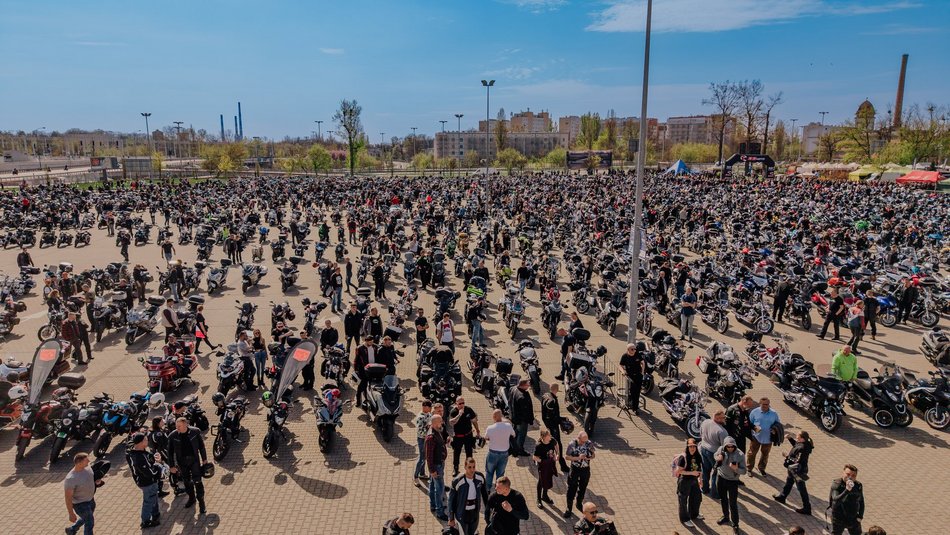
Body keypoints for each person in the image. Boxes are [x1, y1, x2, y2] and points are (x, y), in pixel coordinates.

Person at [166, 417, 208, 514]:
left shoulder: (195, 431)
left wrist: (204, 459)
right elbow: (170, 452)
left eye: (179, 426)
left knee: (198, 481)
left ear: (186, 424)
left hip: (194, 461)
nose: (177, 428)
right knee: (187, 481)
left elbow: (201, 447)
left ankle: (201, 502)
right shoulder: (173, 436)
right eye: (176, 426)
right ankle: (191, 498)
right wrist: (171, 466)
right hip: (182, 463)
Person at [126, 433, 162, 528]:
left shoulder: (133, 452)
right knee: (148, 501)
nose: (147, 441)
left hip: (143, 481)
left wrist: (152, 459)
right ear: (141, 442)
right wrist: (158, 466)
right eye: (146, 440)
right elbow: (149, 473)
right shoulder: (139, 458)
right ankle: (145, 521)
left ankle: (156, 513)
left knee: (153, 497)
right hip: (147, 483)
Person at [773, 431, 814, 515]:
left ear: (802, 438)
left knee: (801, 489)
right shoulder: (803, 444)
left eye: (798, 436)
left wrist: (787, 456)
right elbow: (796, 446)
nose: (796, 437)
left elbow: (797, 461)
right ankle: (782, 497)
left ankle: (807, 508)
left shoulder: (803, 448)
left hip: (798, 471)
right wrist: (790, 439)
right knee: (789, 482)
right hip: (793, 469)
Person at [448, 457, 490, 535]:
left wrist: (488, 511)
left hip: (474, 513)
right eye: (469, 467)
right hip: (461, 513)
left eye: (474, 467)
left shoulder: (480, 477)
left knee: (473, 533)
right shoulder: (457, 481)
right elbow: (451, 500)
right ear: (465, 467)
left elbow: (485, 495)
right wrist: (451, 518)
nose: (472, 470)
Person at [714, 436, 747, 533]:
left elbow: (744, 471)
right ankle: (725, 516)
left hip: (733, 481)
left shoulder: (740, 454)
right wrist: (718, 457)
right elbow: (715, 455)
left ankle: (735, 524)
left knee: (733, 504)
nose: (730, 448)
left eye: (732, 446)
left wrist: (736, 469)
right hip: (721, 478)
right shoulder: (721, 449)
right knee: (723, 499)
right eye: (728, 447)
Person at [64, 453, 101, 535]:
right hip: (80, 504)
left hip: (91, 500)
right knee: (89, 522)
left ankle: (71, 530)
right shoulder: (71, 479)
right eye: (86, 460)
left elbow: (92, 479)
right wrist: (71, 513)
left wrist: (97, 482)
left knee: (86, 518)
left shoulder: (88, 468)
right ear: (79, 463)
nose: (89, 461)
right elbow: (68, 498)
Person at [563, 431, 595, 518]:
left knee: (583, 487)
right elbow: (566, 456)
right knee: (571, 488)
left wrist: (590, 457)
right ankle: (569, 508)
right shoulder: (572, 444)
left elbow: (593, 455)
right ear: (579, 438)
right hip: (575, 469)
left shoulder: (589, 443)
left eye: (586, 441)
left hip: (585, 469)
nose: (585, 443)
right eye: (583, 441)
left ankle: (579, 503)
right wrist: (578, 458)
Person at [541, 383, 570, 473]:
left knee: (550, 442)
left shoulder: (545, 395)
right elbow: (554, 417)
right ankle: (562, 465)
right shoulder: (552, 401)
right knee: (557, 444)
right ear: (556, 389)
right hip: (553, 426)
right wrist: (562, 419)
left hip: (548, 424)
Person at [747, 397, 781, 476]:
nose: (766, 406)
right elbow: (750, 423)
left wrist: (775, 430)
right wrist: (754, 429)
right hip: (756, 437)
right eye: (764, 404)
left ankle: (761, 468)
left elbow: (778, 424)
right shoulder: (754, 412)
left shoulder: (774, 413)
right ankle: (749, 468)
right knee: (752, 453)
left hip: (768, 438)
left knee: (765, 455)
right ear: (760, 404)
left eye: (767, 404)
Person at [699, 410, 728, 499]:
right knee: (716, 473)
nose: (724, 419)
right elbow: (724, 446)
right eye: (723, 417)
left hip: (703, 449)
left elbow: (700, 433)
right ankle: (715, 493)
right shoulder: (722, 431)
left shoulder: (705, 422)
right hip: (714, 453)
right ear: (717, 418)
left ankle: (704, 489)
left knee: (705, 470)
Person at [674, 438, 704, 527]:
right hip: (684, 481)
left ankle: (694, 514)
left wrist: (700, 480)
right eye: (690, 446)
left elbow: (700, 469)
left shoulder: (698, 456)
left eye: (694, 446)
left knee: (696, 498)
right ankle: (685, 519)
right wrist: (691, 473)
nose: (692, 448)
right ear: (687, 447)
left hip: (694, 480)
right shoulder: (683, 457)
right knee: (683, 500)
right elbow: (678, 471)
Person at [828, 464, 865, 535]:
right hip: (839, 518)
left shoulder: (858, 485)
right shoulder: (837, 484)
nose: (850, 477)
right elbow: (836, 500)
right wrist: (847, 490)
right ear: (843, 473)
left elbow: (861, 501)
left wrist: (860, 516)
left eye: (853, 476)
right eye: (848, 474)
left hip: (853, 518)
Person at [483, 409, 515, 489]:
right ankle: (499, 489)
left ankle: (487, 489)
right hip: (504, 454)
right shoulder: (508, 426)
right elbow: (513, 435)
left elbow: (486, 438)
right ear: (502, 416)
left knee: (489, 472)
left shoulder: (490, 428)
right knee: (500, 474)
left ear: (493, 417)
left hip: (492, 454)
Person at [425, 414, 448, 520]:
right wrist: (432, 470)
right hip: (436, 466)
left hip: (438, 464)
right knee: (439, 489)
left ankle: (433, 505)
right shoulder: (430, 437)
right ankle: (440, 511)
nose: (442, 422)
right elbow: (428, 456)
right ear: (434, 423)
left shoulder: (436, 430)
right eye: (440, 421)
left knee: (433, 486)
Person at [449, 397, 480, 476]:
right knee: (457, 452)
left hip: (468, 435)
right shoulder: (454, 412)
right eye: (460, 403)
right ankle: (456, 468)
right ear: (456, 403)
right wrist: (459, 414)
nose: (462, 405)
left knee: (469, 453)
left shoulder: (469, 410)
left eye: (463, 403)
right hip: (458, 437)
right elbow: (452, 423)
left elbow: (474, 421)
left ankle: (469, 468)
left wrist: (477, 430)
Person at [532, 428, 559, 509]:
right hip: (543, 465)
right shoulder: (539, 445)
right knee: (541, 481)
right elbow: (534, 457)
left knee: (548, 479)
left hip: (550, 464)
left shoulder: (552, 440)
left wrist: (557, 454)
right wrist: (543, 461)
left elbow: (556, 445)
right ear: (543, 437)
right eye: (548, 435)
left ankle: (545, 496)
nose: (550, 436)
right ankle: (539, 499)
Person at [509, 378, 534, 456]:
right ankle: (519, 450)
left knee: (515, 433)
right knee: (521, 435)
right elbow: (526, 412)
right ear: (523, 386)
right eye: (527, 384)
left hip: (514, 417)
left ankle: (512, 448)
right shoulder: (522, 397)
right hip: (521, 420)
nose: (529, 385)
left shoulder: (513, 388)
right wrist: (530, 420)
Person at [619, 342, 646, 414]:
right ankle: (634, 406)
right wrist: (623, 371)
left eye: (635, 349)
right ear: (628, 349)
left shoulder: (637, 354)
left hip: (638, 375)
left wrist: (642, 372)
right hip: (630, 376)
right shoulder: (625, 356)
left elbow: (643, 362)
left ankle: (635, 408)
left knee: (637, 392)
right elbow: (620, 365)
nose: (634, 350)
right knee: (634, 391)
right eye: (632, 349)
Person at [354, 336, 378, 407]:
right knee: (362, 386)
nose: (371, 343)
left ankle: (368, 399)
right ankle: (358, 401)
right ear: (366, 341)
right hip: (363, 370)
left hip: (373, 369)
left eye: (372, 342)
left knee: (371, 385)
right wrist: (356, 370)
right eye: (370, 342)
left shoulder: (375, 347)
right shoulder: (360, 348)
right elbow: (356, 360)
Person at [412, 400, 433, 485]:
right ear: (425, 407)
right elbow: (420, 431)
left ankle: (422, 473)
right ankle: (415, 476)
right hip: (422, 439)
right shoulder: (420, 417)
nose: (431, 409)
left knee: (424, 457)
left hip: (427, 438)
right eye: (429, 407)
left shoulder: (428, 414)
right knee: (421, 458)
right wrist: (429, 428)